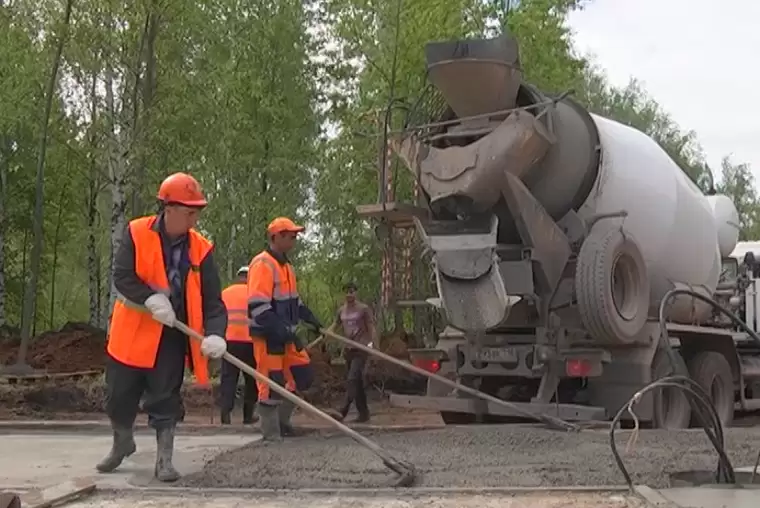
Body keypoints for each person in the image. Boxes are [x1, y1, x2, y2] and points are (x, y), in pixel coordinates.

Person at [97, 172, 228, 482]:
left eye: (197, 212)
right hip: (131, 330)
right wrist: (150, 299)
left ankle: (164, 461)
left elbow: (213, 301)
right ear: (169, 209)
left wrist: (215, 333)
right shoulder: (136, 232)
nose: (195, 219)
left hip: (171, 334)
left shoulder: (202, 249)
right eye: (190, 212)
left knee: (165, 397)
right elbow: (122, 276)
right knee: (118, 397)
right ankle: (122, 442)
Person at [246, 217, 322, 441]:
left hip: (286, 335)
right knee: (270, 383)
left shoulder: (287, 267)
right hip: (268, 336)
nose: (293, 240)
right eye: (289, 236)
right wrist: (285, 332)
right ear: (274, 237)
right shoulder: (263, 264)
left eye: (295, 236)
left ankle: (283, 422)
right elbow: (258, 306)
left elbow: (293, 302)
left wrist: (311, 319)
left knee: (302, 376)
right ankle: (271, 433)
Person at [219, 266, 259, 425]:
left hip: (229, 342)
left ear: (238, 276)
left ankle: (225, 414)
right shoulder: (255, 294)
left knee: (228, 378)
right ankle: (248, 416)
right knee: (251, 380)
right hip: (251, 342)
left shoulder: (225, 293)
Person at [331, 282, 377, 423]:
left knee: (352, 378)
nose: (349, 294)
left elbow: (371, 327)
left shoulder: (363, 309)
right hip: (348, 349)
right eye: (347, 292)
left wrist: (374, 345)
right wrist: (327, 332)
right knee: (356, 382)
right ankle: (364, 414)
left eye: (352, 292)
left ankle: (342, 410)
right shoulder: (341, 311)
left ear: (356, 293)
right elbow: (335, 325)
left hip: (361, 348)